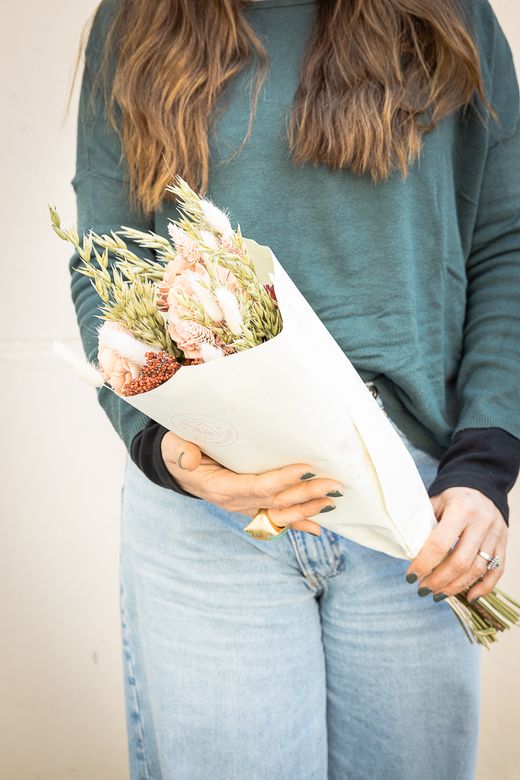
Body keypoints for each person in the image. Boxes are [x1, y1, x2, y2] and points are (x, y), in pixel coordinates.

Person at [69, 0, 520, 777]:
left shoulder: (449, 15)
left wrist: (485, 466)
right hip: (207, 511)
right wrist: (167, 451)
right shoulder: (138, 20)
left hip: (416, 502)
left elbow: (507, 243)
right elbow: (104, 266)